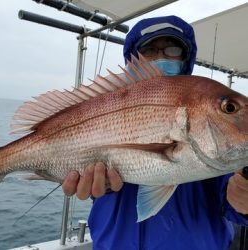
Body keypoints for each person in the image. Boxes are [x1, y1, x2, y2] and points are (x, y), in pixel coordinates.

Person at [62, 15, 248, 249]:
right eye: (149, 50)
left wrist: (244, 202)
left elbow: (232, 200)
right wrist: (97, 186)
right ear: (133, 59)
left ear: (185, 58)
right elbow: (92, 172)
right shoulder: (110, 102)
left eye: (171, 49)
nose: (160, 57)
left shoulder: (223, 141)